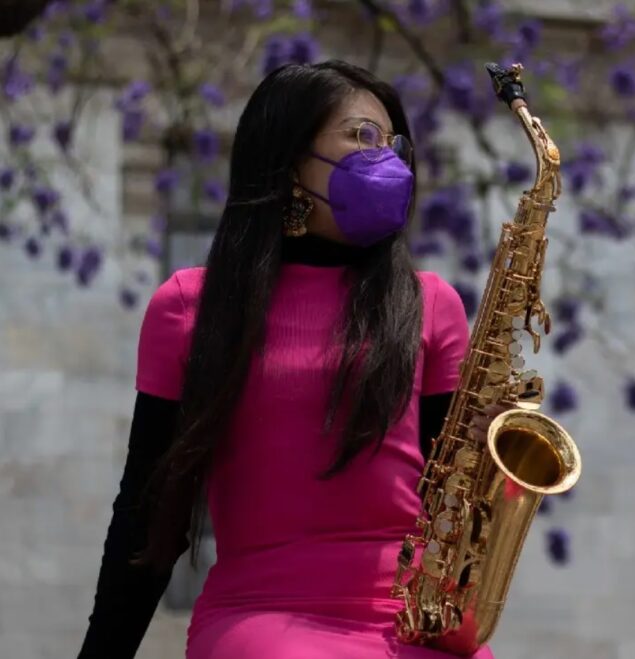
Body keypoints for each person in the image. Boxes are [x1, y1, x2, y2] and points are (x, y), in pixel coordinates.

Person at [78, 60, 502, 659]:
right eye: (362, 137)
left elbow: (452, 509)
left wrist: (488, 462)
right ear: (289, 159)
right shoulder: (189, 307)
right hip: (263, 616)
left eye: (394, 143)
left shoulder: (431, 303)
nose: (388, 159)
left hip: (411, 624)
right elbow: (147, 517)